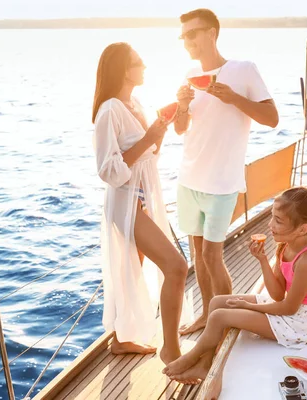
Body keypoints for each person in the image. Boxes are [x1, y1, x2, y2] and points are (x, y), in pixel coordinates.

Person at [174, 8, 280, 336]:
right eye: (183, 36)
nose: (187, 41)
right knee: (198, 255)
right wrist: (180, 106)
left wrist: (233, 98)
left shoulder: (243, 70)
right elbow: (180, 129)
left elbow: (272, 118)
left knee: (211, 255)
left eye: (193, 33)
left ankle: (226, 317)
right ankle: (208, 315)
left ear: (212, 33)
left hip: (222, 182)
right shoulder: (190, 73)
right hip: (189, 179)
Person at [162, 182, 307, 384]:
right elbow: (277, 294)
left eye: (278, 221)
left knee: (219, 317)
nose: (270, 225)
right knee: (216, 303)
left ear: (302, 229)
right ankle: (205, 364)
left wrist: (248, 305)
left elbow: (288, 307)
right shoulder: (286, 247)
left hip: (302, 325)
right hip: (292, 313)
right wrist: (262, 260)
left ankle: (188, 359)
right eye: (271, 217)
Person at [92, 42, 188, 364]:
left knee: (131, 268)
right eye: (138, 62)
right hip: (126, 201)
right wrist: (148, 138)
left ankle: (120, 340)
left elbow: (150, 155)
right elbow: (109, 170)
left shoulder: (135, 103)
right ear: (123, 69)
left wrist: (158, 132)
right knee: (177, 267)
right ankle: (171, 351)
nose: (145, 66)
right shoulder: (109, 110)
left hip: (143, 197)